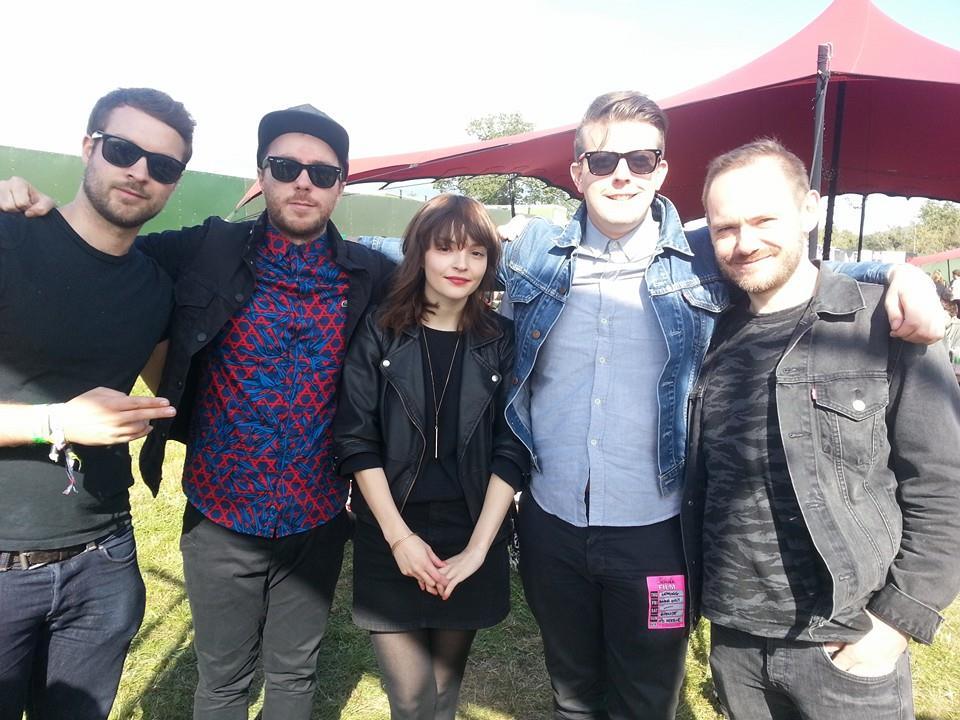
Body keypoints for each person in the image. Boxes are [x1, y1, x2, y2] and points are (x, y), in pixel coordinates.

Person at [355, 91, 943, 720]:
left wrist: (898, 269)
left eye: (640, 159)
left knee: (647, 702)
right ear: (578, 172)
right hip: (552, 525)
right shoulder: (530, 254)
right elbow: (407, 248)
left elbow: (794, 258)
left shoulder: (703, 255)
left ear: (663, 169)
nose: (621, 174)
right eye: (603, 160)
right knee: (573, 695)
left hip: (657, 532)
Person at [0, 104, 395, 719]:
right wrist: (25, 204)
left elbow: (449, 287)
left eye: (323, 173)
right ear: (260, 174)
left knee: (295, 674)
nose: (304, 183)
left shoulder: (371, 274)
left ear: (342, 184)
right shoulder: (208, 247)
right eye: (286, 166)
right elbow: (102, 243)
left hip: (317, 514)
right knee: (222, 682)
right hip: (220, 511)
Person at [682, 139, 960, 720]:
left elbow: (943, 484)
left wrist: (894, 622)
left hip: (847, 637)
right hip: (733, 639)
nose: (745, 241)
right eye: (725, 227)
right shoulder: (704, 334)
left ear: (809, 209)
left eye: (764, 219)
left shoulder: (883, 325)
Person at [0, 88, 192, 720]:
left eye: (162, 165)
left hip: (103, 562)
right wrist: (55, 421)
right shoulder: (9, 237)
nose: (140, 171)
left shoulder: (156, 290)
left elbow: (183, 396)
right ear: (89, 147)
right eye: (123, 150)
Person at [334, 193, 529, 719]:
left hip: (471, 532)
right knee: (412, 698)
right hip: (392, 532)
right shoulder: (379, 330)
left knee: (445, 693)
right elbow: (356, 440)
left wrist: (478, 552)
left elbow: (512, 448)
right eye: (446, 249)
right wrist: (399, 539)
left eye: (477, 253)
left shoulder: (502, 340)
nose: (461, 265)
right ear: (420, 253)